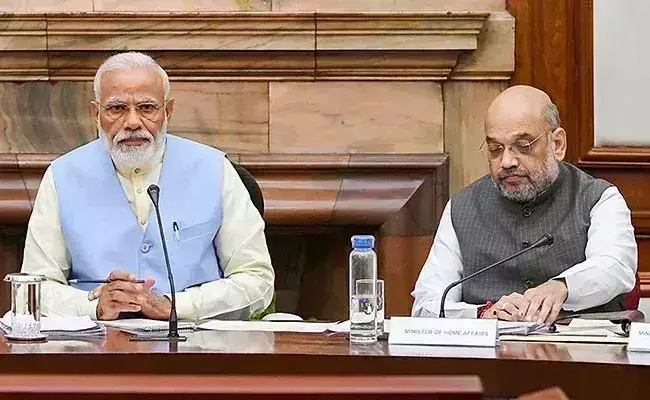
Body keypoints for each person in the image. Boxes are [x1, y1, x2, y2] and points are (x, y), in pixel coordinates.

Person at [20, 52, 274, 321]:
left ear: (168, 111)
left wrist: (177, 306)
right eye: (117, 108)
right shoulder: (62, 175)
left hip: (197, 342)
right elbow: (34, 287)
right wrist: (93, 305)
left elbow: (256, 279)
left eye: (147, 108)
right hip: (97, 342)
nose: (132, 122)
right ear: (96, 114)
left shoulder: (215, 169)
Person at [411, 85, 637, 324]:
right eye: (495, 149)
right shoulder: (462, 208)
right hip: (491, 347)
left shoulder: (599, 198)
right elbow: (427, 303)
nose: (507, 161)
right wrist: (481, 313)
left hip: (577, 346)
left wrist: (561, 287)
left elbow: (615, 267)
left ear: (557, 144)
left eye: (523, 146)